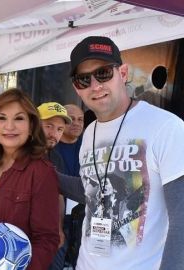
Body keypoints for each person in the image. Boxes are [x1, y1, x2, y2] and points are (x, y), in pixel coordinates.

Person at [60, 36, 184, 269]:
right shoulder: (89, 133)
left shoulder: (166, 127)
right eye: (84, 79)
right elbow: (90, 189)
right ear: (77, 87)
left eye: (104, 73)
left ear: (123, 73)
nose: (95, 85)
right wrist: (44, 172)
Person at [0, 89, 60, 270]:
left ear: (32, 126)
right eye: (1, 118)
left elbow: (47, 239)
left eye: (19, 118)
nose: (9, 126)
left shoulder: (41, 172)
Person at [37, 102, 72, 270]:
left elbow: (59, 194)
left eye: (59, 129)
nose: (54, 134)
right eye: (49, 126)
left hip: (50, 235)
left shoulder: (55, 157)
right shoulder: (19, 153)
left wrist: (58, 229)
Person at [54, 104, 85, 268]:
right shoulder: (50, 148)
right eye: (71, 119)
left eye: (80, 119)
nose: (77, 123)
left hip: (83, 219)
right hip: (57, 220)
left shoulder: (89, 146)